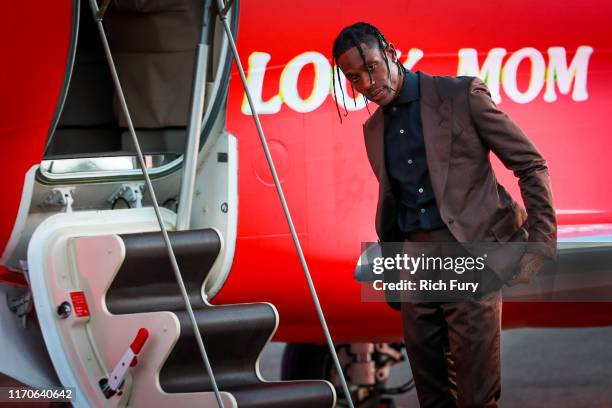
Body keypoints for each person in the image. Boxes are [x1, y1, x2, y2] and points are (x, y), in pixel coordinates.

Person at [332, 22, 557, 407]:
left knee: (476, 395)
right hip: (416, 264)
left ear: (390, 51)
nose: (367, 83)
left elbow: (530, 164)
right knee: (432, 395)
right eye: (354, 78)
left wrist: (540, 242)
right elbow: (393, 205)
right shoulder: (373, 129)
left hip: (470, 256)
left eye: (371, 66)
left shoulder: (460, 94)